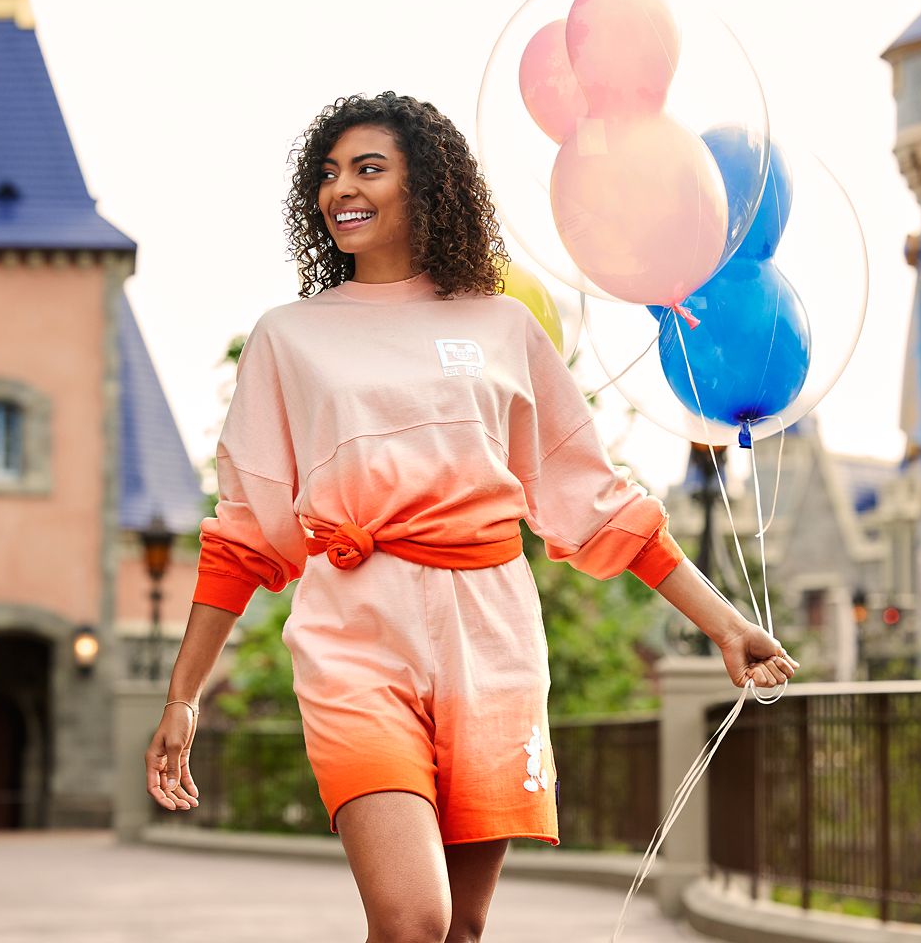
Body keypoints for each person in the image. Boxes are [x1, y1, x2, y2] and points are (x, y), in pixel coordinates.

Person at [145, 91, 799, 943]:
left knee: (463, 928)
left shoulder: (501, 326)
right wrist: (185, 696)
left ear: (429, 187)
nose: (342, 187)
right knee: (415, 919)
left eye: (369, 168)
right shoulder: (288, 337)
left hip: (490, 638)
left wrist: (725, 623)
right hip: (355, 638)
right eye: (330, 173)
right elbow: (243, 534)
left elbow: (595, 500)